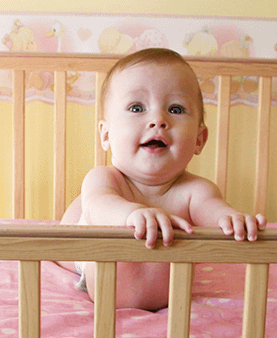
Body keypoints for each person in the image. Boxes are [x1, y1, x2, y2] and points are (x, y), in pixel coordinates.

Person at [60, 48, 266, 310]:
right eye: (137, 108)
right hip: (91, 263)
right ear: (106, 135)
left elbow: (214, 212)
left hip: (162, 279)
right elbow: (99, 205)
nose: (158, 119)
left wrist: (233, 219)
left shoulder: (196, 190)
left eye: (176, 109)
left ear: (199, 140)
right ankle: (65, 251)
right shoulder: (105, 179)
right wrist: (133, 214)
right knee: (80, 217)